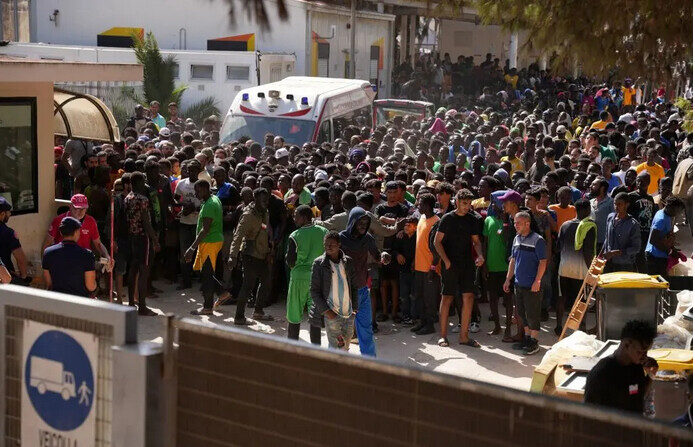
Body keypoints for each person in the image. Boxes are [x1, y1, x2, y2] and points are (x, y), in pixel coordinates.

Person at [433, 188, 484, 348]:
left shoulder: (472, 220)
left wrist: (480, 255)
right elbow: (437, 242)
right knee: (447, 298)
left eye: (469, 203)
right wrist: (446, 261)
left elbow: (476, 241)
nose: (467, 206)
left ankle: (464, 336)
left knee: (468, 297)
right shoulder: (447, 219)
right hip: (450, 264)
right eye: (464, 203)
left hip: (467, 263)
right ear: (457, 202)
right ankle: (442, 336)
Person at [585, 320, 656, 414]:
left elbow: (638, 394)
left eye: (646, 352)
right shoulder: (602, 373)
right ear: (626, 345)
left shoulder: (636, 367)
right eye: (640, 352)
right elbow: (590, 413)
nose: (645, 356)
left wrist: (651, 374)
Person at [339, 207, 384, 356]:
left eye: (366, 222)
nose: (363, 226)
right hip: (345, 292)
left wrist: (384, 256)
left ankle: (370, 362)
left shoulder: (367, 238)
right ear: (352, 222)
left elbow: (378, 257)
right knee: (341, 332)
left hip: (363, 290)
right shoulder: (340, 239)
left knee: (366, 329)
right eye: (360, 222)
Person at [228, 187, 275, 324]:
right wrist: (233, 255)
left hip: (263, 253)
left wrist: (269, 245)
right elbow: (238, 235)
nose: (266, 202)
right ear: (255, 199)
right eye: (263, 199)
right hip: (250, 254)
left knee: (266, 283)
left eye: (267, 200)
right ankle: (239, 317)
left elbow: (264, 228)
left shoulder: (265, 212)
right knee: (247, 286)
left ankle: (258, 311)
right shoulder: (248, 215)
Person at [504, 211, 547, 355]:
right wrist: (508, 279)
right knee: (522, 313)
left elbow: (543, 262)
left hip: (532, 285)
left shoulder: (538, 240)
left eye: (518, 223)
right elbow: (513, 261)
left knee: (533, 314)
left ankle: (534, 342)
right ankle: (527, 338)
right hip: (518, 283)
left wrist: (537, 280)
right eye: (515, 223)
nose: (515, 225)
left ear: (527, 224)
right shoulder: (516, 238)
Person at [310, 231, 359, 350]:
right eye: (326, 244)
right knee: (337, 348)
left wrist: (355, 308)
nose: (328, 247)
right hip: (332, 314)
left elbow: (354, 286)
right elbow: (314, 291)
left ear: (339, 244)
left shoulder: (348, 262)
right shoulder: (319, 264)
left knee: (345, 348)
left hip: (349, 313)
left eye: (332, 244)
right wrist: (327, 312)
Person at [285, 205, 327, 343]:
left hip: (299, 279)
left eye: (296, 215)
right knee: (315, 316)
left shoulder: (295, 235)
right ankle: (315, 349)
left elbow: (290, 261)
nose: (294, 218)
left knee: (294, 314)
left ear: (303, 217)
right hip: (317, 278)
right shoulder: (324, 232)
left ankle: (292, 348)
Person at [556, 199, 595, 335]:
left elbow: (558, 247)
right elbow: (588, 251)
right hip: (581, 269)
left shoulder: (565, 225)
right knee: (582, 300)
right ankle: (581, 327)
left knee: (562, 297)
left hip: (564, 267)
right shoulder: (589, 226)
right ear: (587, 210)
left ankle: (558, 326)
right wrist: (591, 269)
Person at [186, 179, 225, 315]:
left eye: (197, 191)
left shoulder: (209, 204)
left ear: (204, 189)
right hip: (213, 241)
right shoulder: (214, 199)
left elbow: (205, 229)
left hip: (210, 242)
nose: (195, 194)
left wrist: (191, 248)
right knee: (206, 272)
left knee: (207, 276)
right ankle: (222, 292)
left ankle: (207, 307)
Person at [124, 172, 160, 315]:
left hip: (132, 236)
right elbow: (146, 222)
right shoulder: (142, 199)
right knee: (144, 271)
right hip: (143, 238)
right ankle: (143, 306)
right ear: (139, 182)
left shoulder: (127, 198)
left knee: (133, 270)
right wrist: (155, 240)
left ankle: (132, 303)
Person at [44, 194, 112, 270]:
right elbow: (47, 243)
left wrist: (107, 256)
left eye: (83, 208)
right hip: (63, 262)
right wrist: (44, 267)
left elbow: (98, 243)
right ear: (71, 206)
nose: (80, 211)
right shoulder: (59, 220)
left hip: (83, 262)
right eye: (77, 208)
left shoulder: (91, 221)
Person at [42, 217, 96, 297]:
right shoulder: (87, 255)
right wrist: (96, 285)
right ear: (77, 232)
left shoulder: (48, 253)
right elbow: (90, 286)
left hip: (57, 300)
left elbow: (49, 284)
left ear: (61, 232)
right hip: (79, 302)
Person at [410, 193, 440, 335]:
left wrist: (433, 268)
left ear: (428, 206)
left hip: (430, 268)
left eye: (420, 204)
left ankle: (430, 325)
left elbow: (437, 250)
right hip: (419, 266)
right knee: (420, 297)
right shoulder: (422, 218)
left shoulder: (436, 222)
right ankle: (422, 322)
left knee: (430, 299)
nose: (418, 206)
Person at [483, 200, 512, 337]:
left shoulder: (510, 221)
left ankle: (508, 328)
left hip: (507, 266)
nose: (493, 206)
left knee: (508, 299)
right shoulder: (488, 219)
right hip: (491, 265)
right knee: (493, 298)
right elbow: (485, 242)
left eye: (496, 204)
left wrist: (506, 221)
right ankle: (497, 326)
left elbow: (506, 238)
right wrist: (484, 264)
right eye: (492, 204)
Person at [174, 160, 202, 290]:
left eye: (194, 170)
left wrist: (195, 208)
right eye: (189, 170)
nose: (191, 173)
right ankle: (186, 281)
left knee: (198, 252)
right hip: (184, 223)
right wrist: (183, 207)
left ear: (199, 171)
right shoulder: (181, 184)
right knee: (185, 252)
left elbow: (207, 202)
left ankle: (200, 279)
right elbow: (175, 201)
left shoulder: (202, 185)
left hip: (198, 223)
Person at [644, 196, 685, 277]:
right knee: (658, 284)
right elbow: (653, 240)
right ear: (670, 207)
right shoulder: (661, 219)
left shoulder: (664, 214)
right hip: (654, 258)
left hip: (658, 256)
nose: (678, 213)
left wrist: (672, 248)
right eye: (677, 211)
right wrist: (669, 251)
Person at [603, 192, 641, 272]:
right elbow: (606, 239)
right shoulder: (610, 218)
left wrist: (616, 253)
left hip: (624, 265)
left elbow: (636, 248)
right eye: (615, 204)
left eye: (619, 204)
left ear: (626, 205)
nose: (616, 207)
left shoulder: (633, 224)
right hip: (609, 263)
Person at [0, 197, 28, 284]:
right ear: (2, 214)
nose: (10, 214)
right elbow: (20, 258)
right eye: (8, 212)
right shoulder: (8, 232)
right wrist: (23, 277)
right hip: (6, 277)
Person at [589, 178, 613, 252]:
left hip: (604, 243)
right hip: (591, 241)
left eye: (594, 185)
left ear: (602, 188)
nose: (590, 186)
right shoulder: (590, 202)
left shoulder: (610, 202)